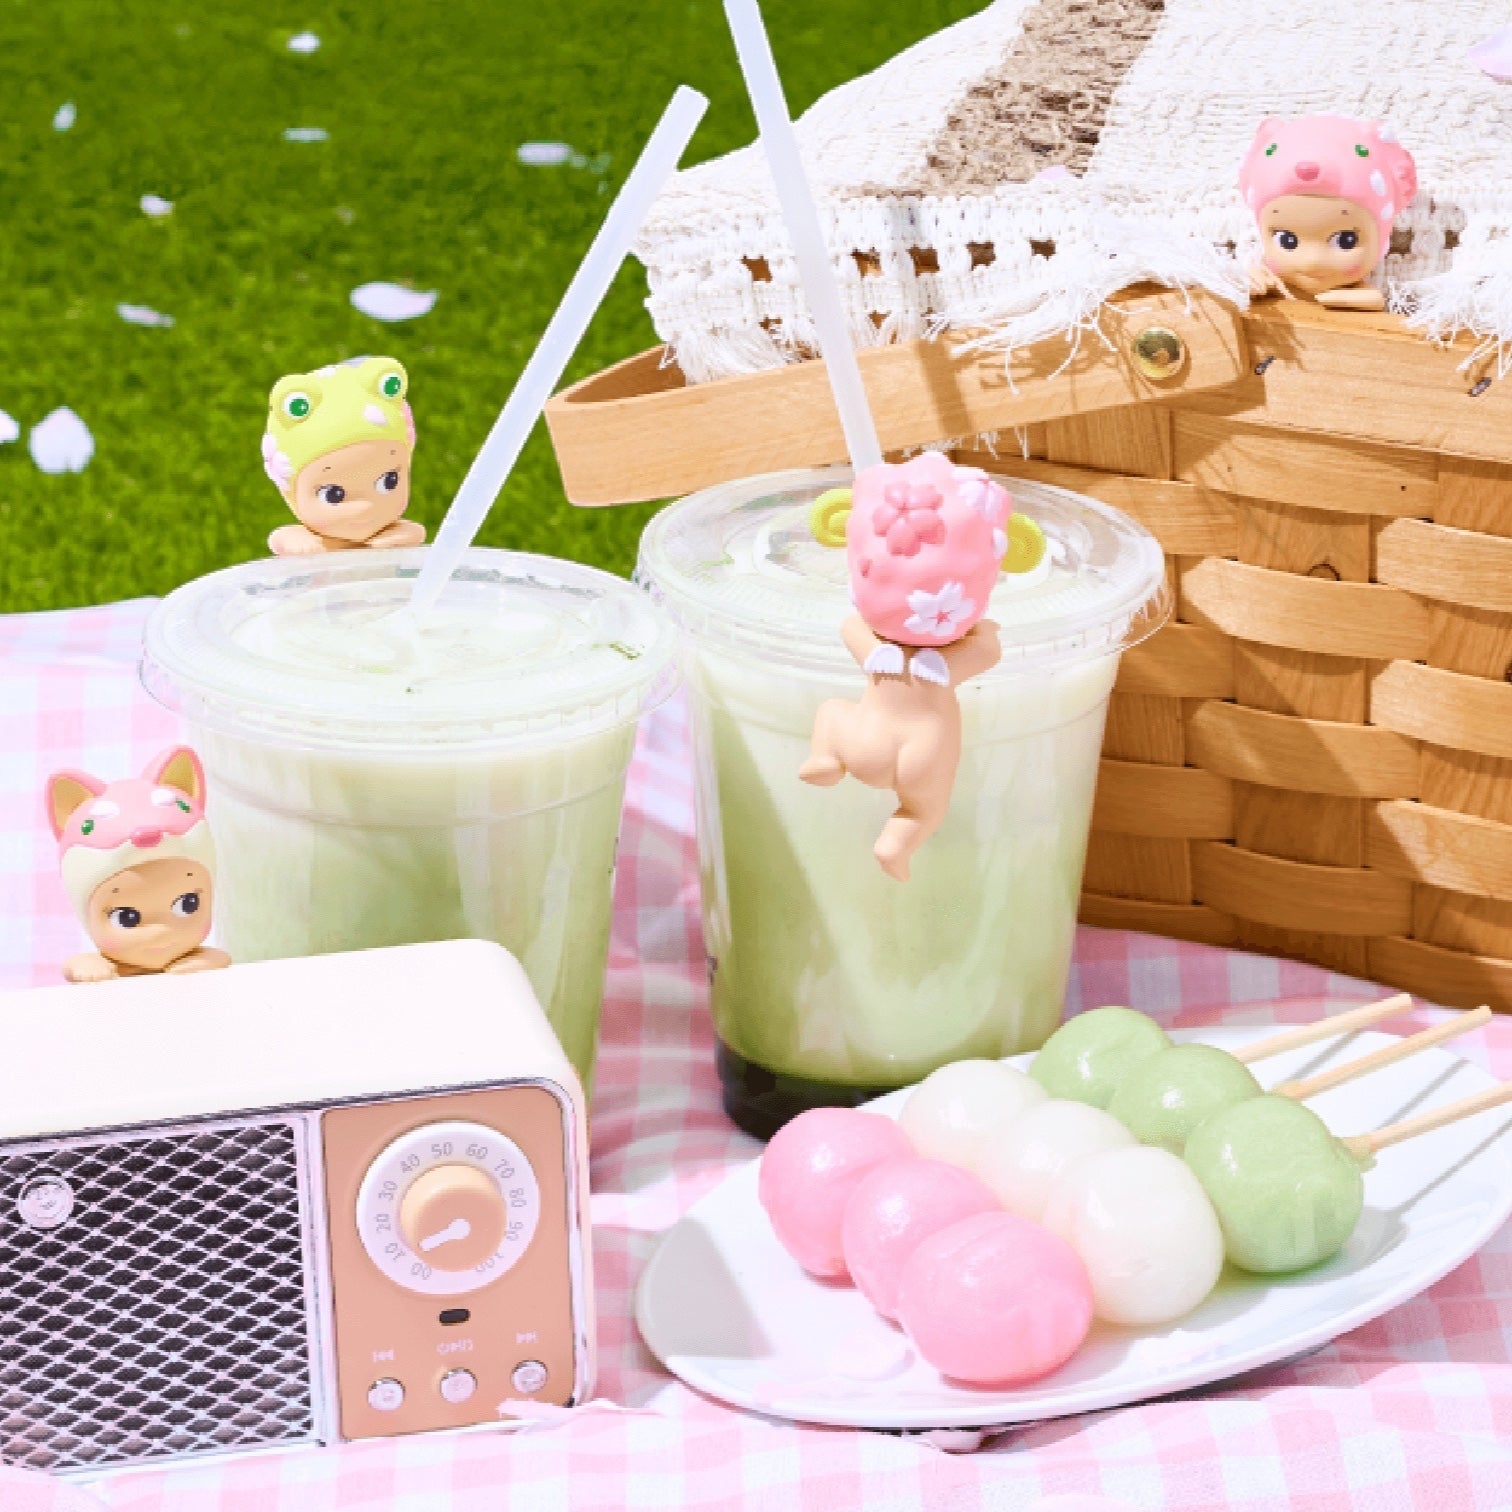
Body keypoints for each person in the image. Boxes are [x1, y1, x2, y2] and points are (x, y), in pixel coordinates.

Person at [47, 747, 230, 983]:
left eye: (189, 904)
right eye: (126, 918)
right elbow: (76, 965)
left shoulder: (200, 956)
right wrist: (85, 966)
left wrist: (204, 963)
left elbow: (218, 958)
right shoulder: (108, 969)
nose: (160, 931)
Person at [1238, 115, 1417, 311]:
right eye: (1287, 240)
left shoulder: (1360, 291)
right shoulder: (1270, 282)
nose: (1312, 261)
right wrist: (1246, 283)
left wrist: (1364, 300)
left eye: (1346, 240)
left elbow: (1373, 301)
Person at [262, 355, 425, 555]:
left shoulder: (391, 531)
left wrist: (406, 535)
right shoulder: (311, 540)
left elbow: (414, 532)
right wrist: (294, 542)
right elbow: (281, 538)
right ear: (291, 493)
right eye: (333, 494)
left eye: (389, 481)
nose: (363, 508)